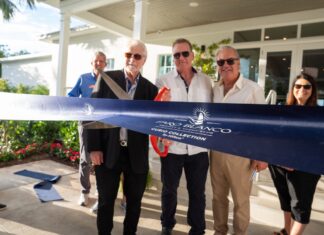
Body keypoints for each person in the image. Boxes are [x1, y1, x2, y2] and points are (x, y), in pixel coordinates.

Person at [86, 39, 158, 235]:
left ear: (144, 60)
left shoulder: (152, 90)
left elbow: (156, 124)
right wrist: (93, 148)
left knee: (134, 204)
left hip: (136, 156)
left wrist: (164, 106)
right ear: (123, 56)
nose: (132, 59)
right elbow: (90, 113)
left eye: (137, 56)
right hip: (108, 152)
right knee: (106, 202)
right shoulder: (106, 79)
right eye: (128, 55)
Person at [155, 38, 213, 235]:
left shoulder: (206, 81)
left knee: (197, 192)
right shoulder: (163, 81)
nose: (181, 58)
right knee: (169, 189)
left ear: (192, 55)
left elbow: (210, 112)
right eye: (176, 55)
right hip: (173, 147)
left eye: (184, 53)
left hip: (198, 147)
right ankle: (167, 225)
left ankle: (197, 229)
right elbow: (157, 115)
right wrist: (163, 133)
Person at [210, 45, 268, 235]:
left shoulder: (253, 90)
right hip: (216, 152)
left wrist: (261, 155)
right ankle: (220, 231)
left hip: (242, 154)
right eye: (221, 62)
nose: (225, 65)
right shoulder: (214, 89)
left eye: (230, 61)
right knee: (218, 198)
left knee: (241, 200)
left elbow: (262, 126)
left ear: (238, 63)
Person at [269, 73, 321, 235]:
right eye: (298, 86)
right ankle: (286, 230)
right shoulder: (283, 110)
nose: (302, 89)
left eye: (307, 86)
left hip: (306, 167)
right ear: (292, 89)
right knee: (285, 200)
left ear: (313, 90)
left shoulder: (319, 114)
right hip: (279, 163)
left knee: (300, 206)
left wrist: (296, 160)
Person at [68, 51, 107, 213]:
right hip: (85, 123)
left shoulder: (109, 80)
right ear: (91, 63)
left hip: (104, 124)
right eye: (95, 61)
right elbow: (71, 96)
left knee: (102, 160)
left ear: (105, 64)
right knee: (85, 159)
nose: (98, 63)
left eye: (101, 61)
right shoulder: (83, 78)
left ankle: (100, 194)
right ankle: (85, 192)